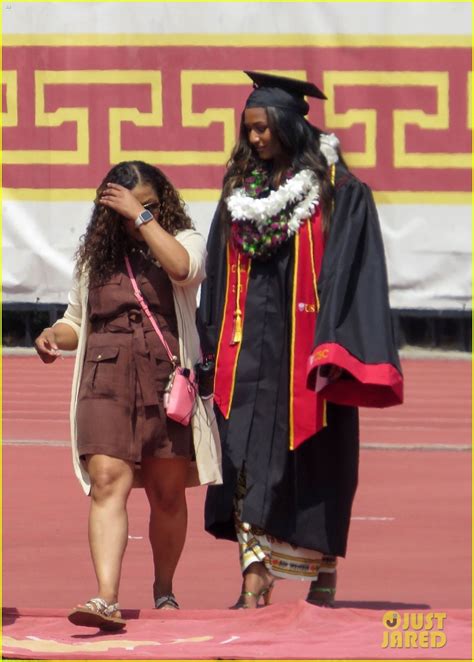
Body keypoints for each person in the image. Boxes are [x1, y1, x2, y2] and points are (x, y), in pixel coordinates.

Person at [197, 71, 403, 608]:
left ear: (289, 124)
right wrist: (207, 337)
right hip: (246, 352)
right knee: (238, 452)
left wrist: (337, 344)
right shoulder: (239, 196)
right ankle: (253, 572)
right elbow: (218, 272)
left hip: (305, 351)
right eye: (249, 130)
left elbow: (352, 272)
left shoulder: (338, 193)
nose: (256, 140)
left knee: (316, 459)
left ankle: (323, 572)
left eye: (264, 128)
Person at [34, 161, 221, 629]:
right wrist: (54, 335)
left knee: (167, 493)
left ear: (162, 204)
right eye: (128, 206)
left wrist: (143, 217)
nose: (140, 213)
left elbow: (184, 269)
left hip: (164, 379)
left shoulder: (185, 239)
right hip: (104, 379)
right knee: (106, 482)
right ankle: (105, 597)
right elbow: (76, 320)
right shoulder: (96, 256)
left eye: (151, 204)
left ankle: (164, 589)